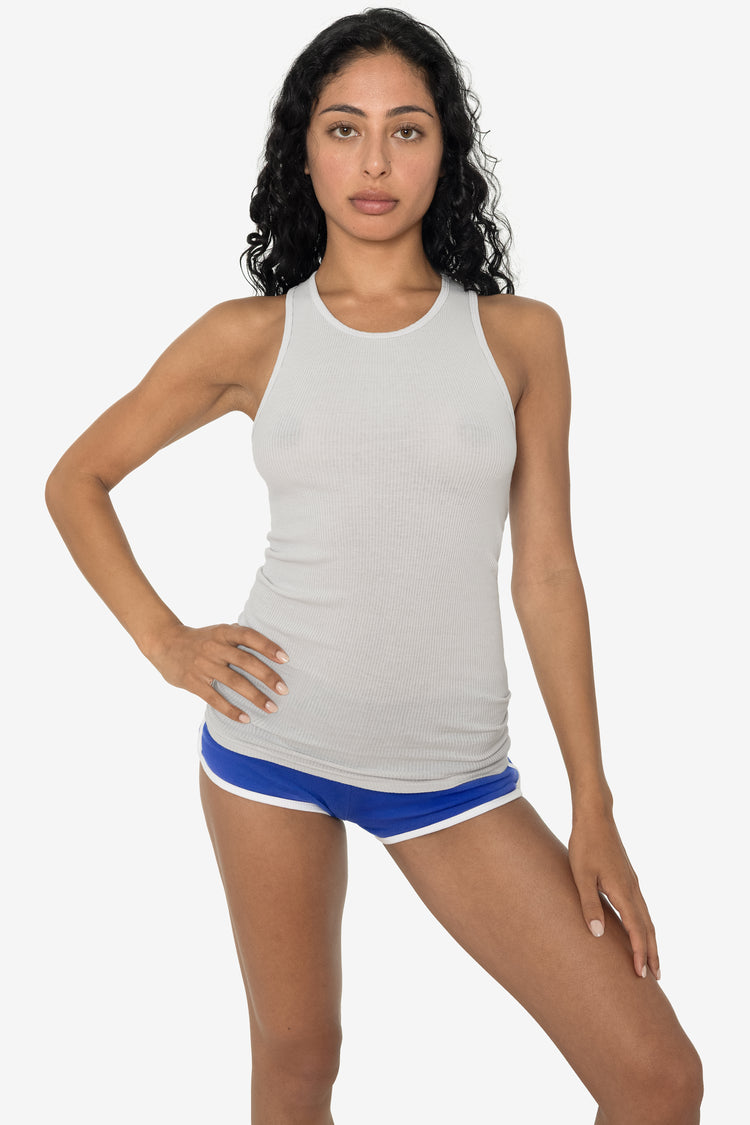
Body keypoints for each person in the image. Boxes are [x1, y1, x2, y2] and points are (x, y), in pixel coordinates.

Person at [45, 8, 703, 1123]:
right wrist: (168, 643)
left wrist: (592, 802)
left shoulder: (520, 337)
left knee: (656, 1078)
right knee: (299, 1059)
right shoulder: (251, 336)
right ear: (304, 151)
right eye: (345, 129)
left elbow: (546, 573)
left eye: (407, 130)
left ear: (445, 152)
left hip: (454, 773)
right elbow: (77, 480)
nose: (376, 161)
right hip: (271, 748)